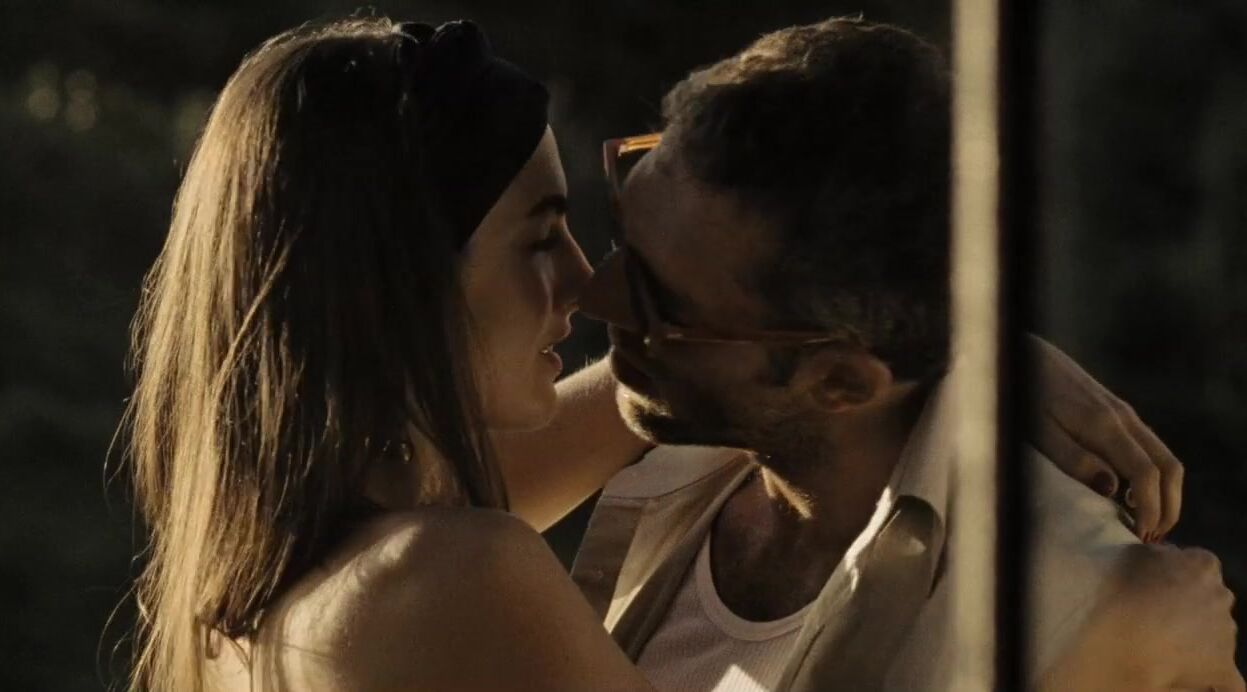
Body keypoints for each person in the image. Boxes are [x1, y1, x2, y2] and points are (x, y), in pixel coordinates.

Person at [120, 15, 1226, 692]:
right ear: (398, 296)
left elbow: (644, 390)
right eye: (541, 239)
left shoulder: (274, 538)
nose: (586, 288)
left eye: (591, 235)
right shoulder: (450, 574)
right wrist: (1104, 651)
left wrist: (949, 334)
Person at [572, 16, 1241, 691]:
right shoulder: (684, 453)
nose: (593, 297)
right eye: (624, 238)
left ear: (842, 381)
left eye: (661, 304)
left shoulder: (1072, 614)